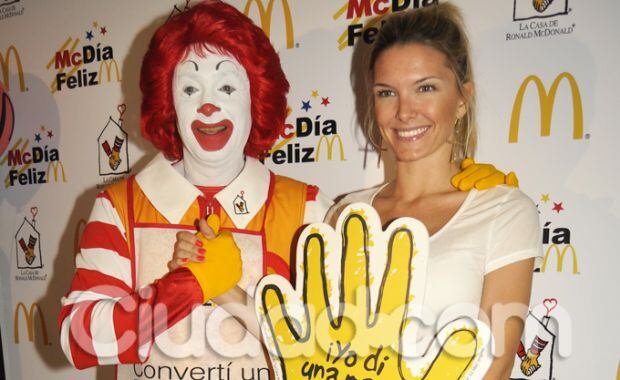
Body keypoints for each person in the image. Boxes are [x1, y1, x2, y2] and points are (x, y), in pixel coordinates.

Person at [59, 1, 519, 378]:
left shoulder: (311, 211)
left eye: (225, 84)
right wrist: (189, 288)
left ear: (254, 94)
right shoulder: (119, 208)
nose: (209, 105)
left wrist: (476, 201)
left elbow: (326, 349)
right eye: (189, 87)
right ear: (167, 97)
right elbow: (78, 338)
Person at [326, 4, 542, 378]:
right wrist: (223, 283)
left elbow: (496, 364)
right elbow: (308, 344)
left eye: (425, 88)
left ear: (461, 98)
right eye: (387, 93)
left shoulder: (503, 211)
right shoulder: (345, 214)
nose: (405, 112)